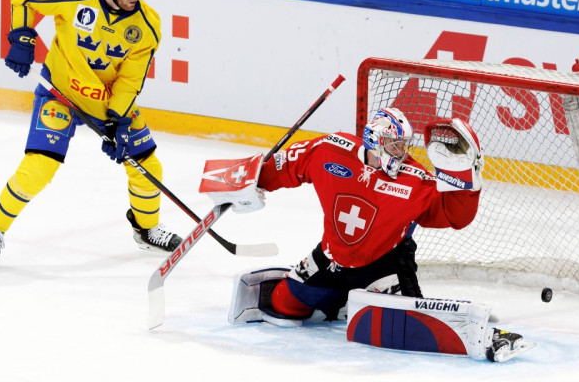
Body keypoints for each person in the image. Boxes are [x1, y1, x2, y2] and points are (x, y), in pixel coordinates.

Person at [214, 107, 531, 362]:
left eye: (405, 146)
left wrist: (468, 180)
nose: (403, 154)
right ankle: (341, 301)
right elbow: (285, 167)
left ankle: (488, 336)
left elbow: (454, 216)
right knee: (283, 306)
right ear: (375, 142)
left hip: (387, 262)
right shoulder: (330, 151)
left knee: (406, 325)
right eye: (395, 146)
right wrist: (244, 183)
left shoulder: (414, 179)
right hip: (332, 257)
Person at [0, 0, 183, 268]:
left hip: (103, 102)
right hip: (59, 93)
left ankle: (146, 229)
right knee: (39, 167)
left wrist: (118, 120)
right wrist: (21, 35)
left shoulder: (148, 25)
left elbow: (130, 80)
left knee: (147, 165)